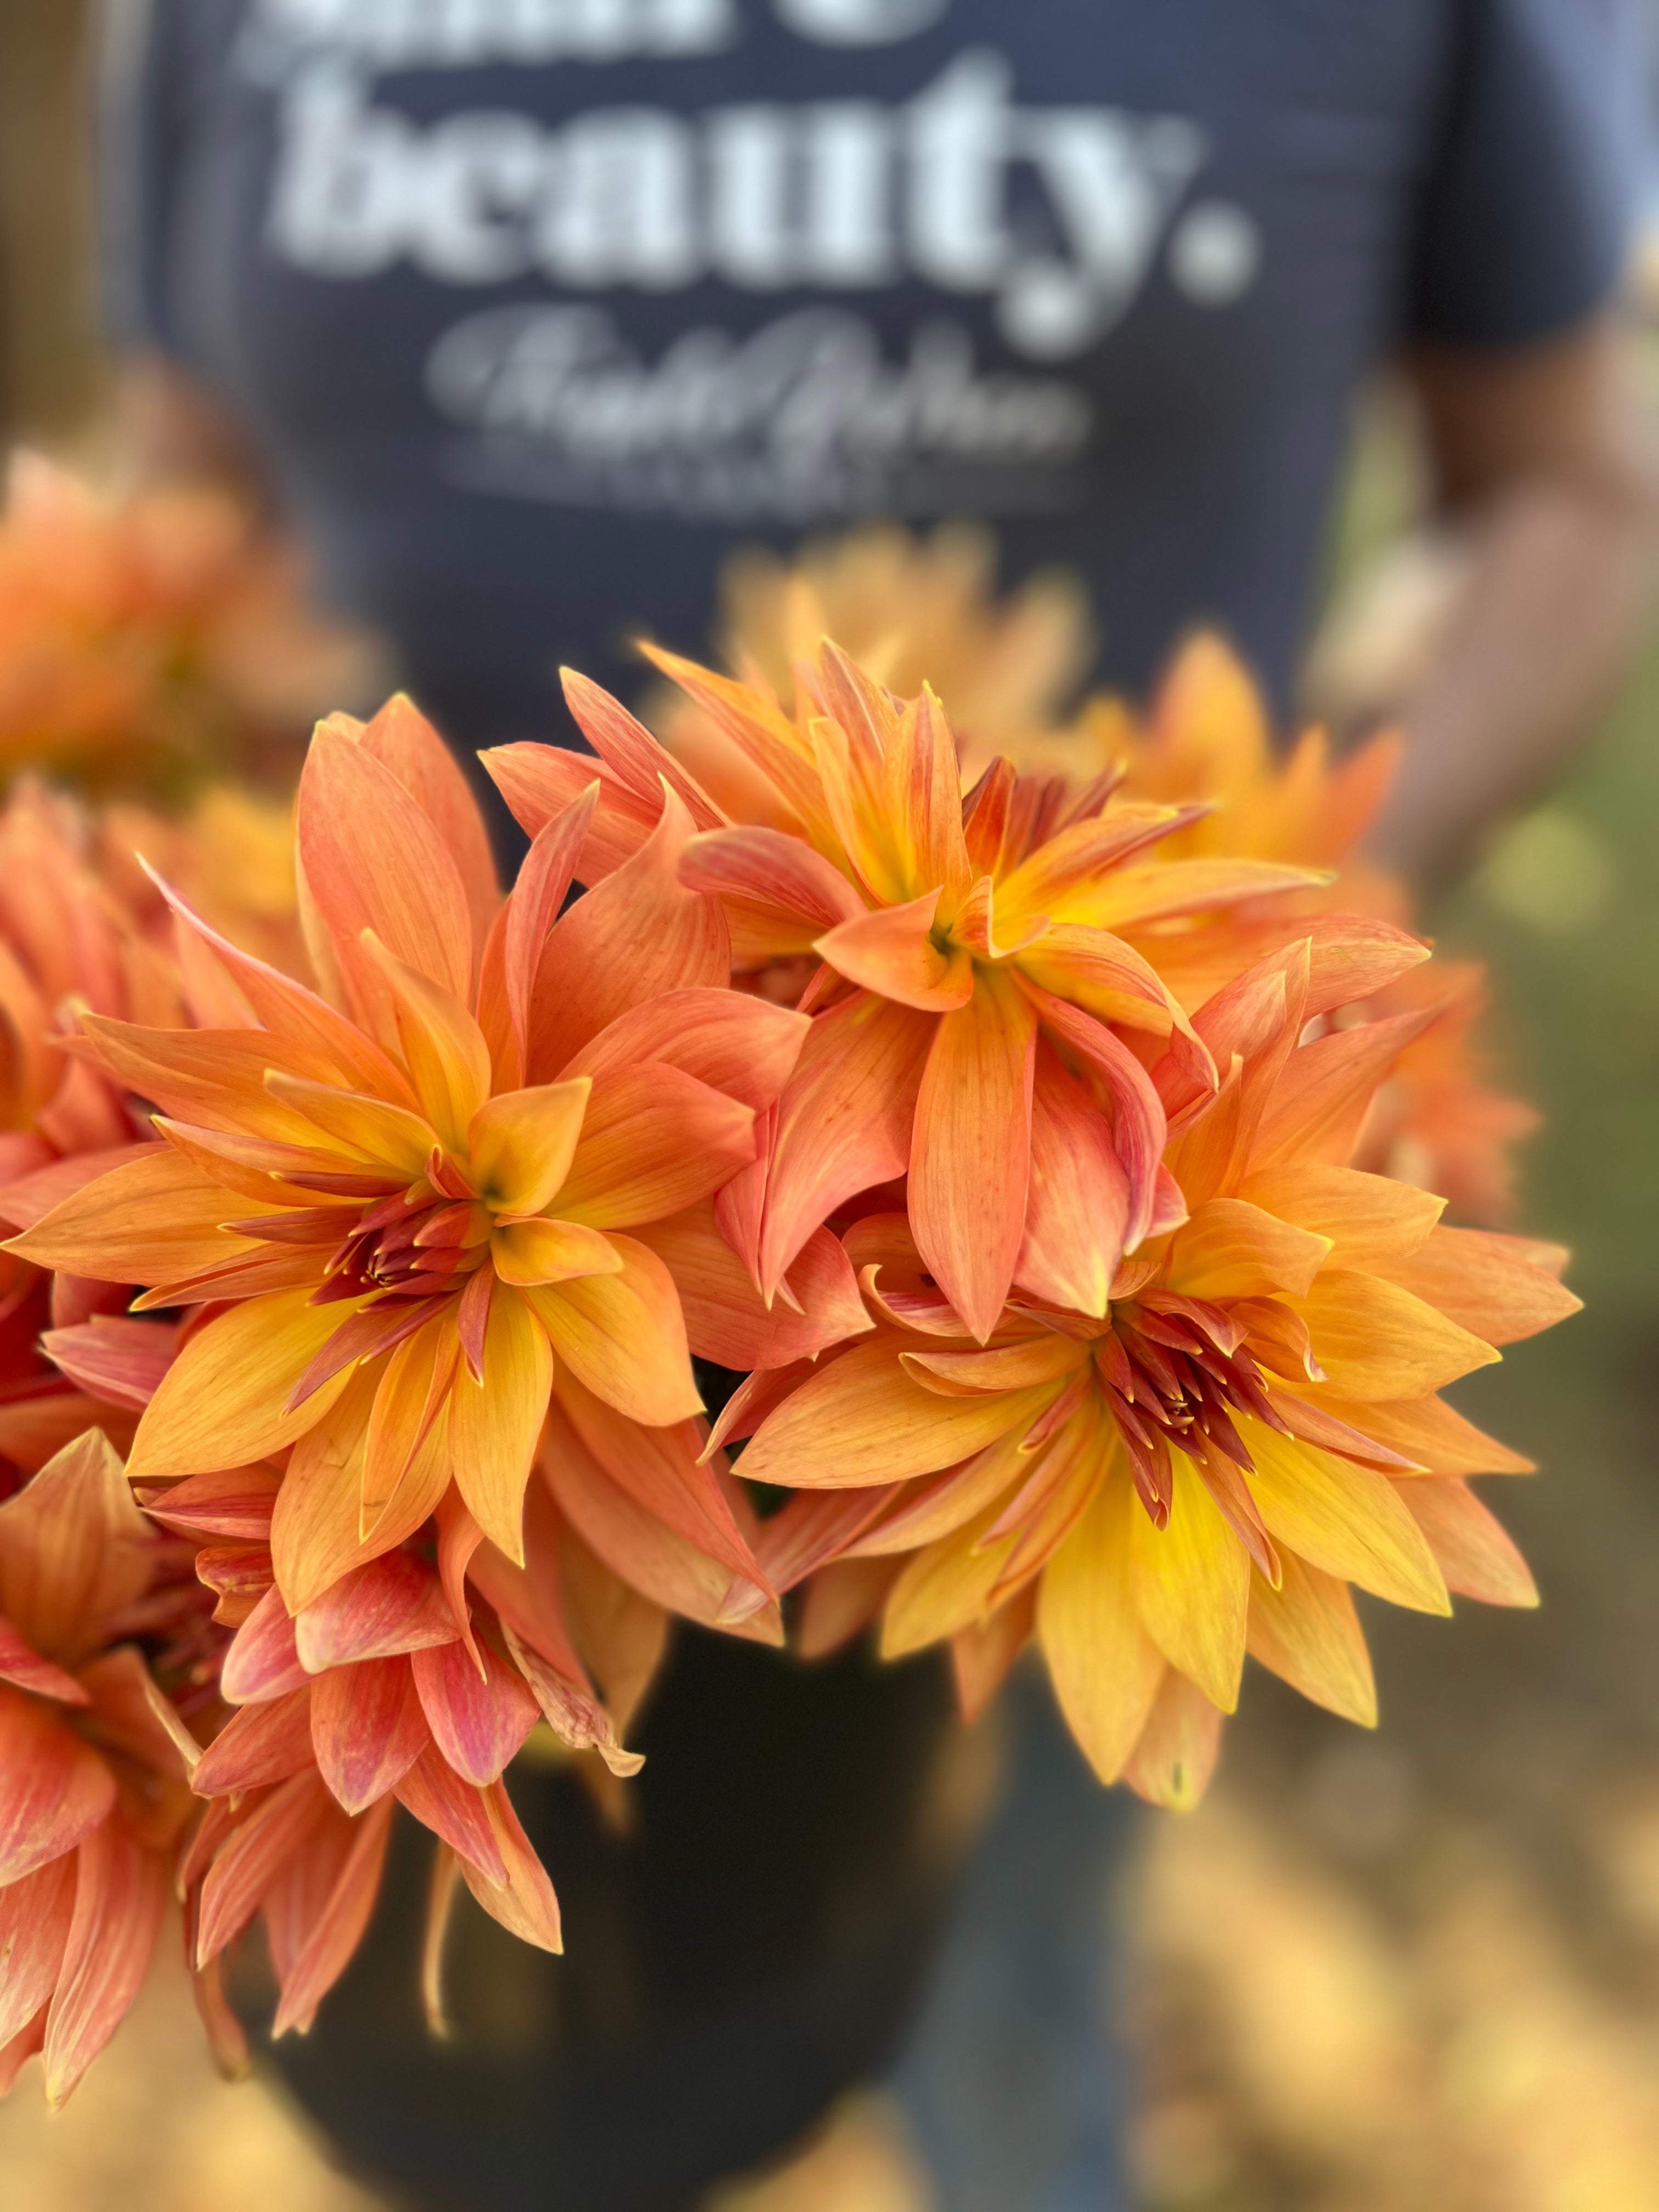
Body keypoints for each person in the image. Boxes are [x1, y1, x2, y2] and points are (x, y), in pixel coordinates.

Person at [99, 3, 1656, 2206]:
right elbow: (186, 484)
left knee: (1009, 1973)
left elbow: (1575, 483)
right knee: (521, 2108)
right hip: (374, 1358)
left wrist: (1317, 933)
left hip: (993, 1316)